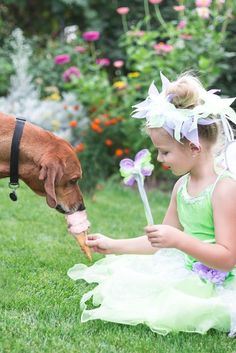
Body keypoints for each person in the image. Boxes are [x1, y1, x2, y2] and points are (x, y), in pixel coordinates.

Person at [68, 72, 236, 336]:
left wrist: (179, 241)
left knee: (177, 305)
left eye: (165, 151)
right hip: (187, 267)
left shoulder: (224, 188)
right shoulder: (182, 186)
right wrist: (114, 246)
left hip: (220, 279)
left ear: (194, 148)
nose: (159, 158)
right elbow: (159, 241)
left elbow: (227, 258)